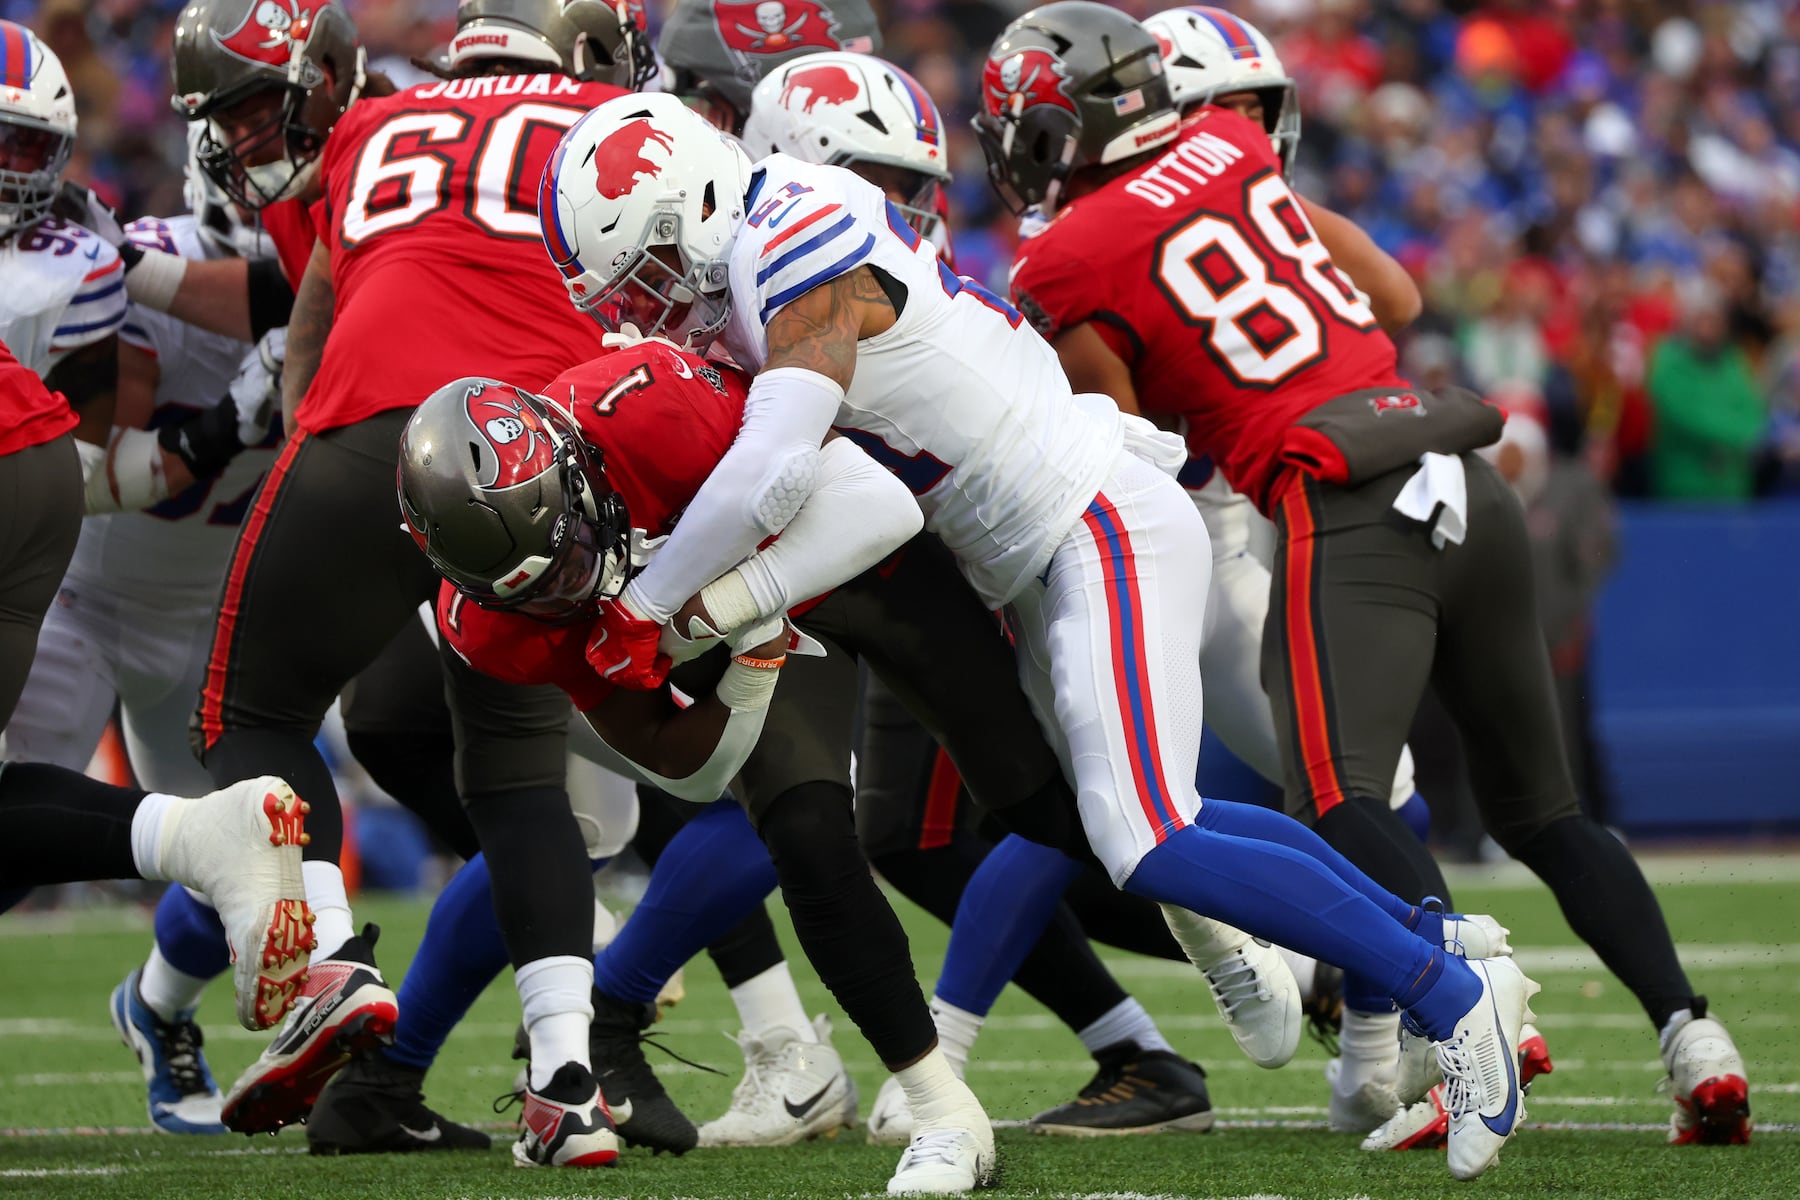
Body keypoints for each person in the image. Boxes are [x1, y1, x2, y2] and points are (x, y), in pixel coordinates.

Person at [544, 83, 1538, 1183]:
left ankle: (1447, 994)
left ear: (692, 204)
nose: (645, 307)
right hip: (1041, 544)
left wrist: (649, 606)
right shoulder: (763, 238)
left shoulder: (788, 238)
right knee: (1151, 822)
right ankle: (1435, 944)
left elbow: (777, 466)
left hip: (1088, 515)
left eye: (645, 271)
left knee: (1148, 837)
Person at [991, 0, 1748, 1150]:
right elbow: (1393, 300)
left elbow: (1126, 443)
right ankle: (1693, 1034)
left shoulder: (1066, 254)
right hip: (1460, 468)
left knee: (1337, 801)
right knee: (1547, 812)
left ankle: (1469, 1008)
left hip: (1338, 498)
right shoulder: (1233, 147)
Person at [174, 0, 646, 1140]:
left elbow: (314, 314)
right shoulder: (619, 118)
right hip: (538, 448)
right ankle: (568, 1088)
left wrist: (315, 449)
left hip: (379, 421)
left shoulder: (373, 124)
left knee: (250, 710)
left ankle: (331, 958)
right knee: (519, 782)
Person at [741, 48, 1215, 1141]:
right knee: (982, 824)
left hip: (989, 557)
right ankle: (1151, 1038)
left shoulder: (829, 261)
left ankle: (1361, 966)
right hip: (947, 561)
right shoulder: (782, 255)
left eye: (913, 183)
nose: (905, 203)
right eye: (879, 179)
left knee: (1092, 814)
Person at [1, 134, 284, 1136]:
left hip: (211, 612)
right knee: (16, 835)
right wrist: (225, 427)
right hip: (75, 599)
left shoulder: (342, 294)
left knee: (267, 843)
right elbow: (89, 471)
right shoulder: (128, 269)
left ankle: (158, 1005)